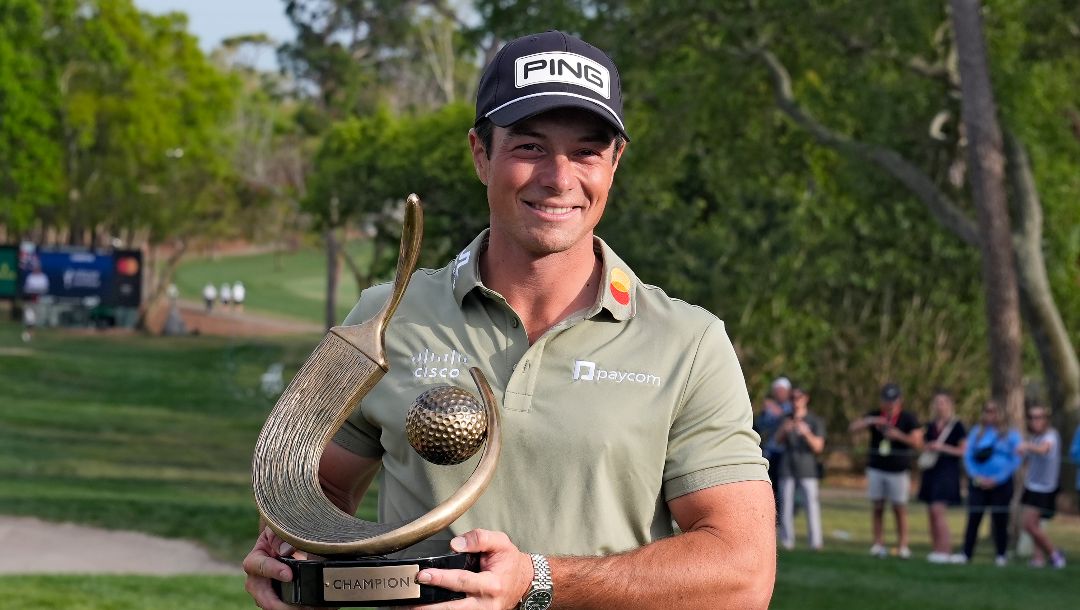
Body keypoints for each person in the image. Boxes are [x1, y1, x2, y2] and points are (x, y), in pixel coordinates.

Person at [242, 30, 775, 610]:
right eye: (529, 147)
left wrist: (537, 582)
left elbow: (742, 572)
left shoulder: (689, 342)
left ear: (615, 164)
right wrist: (292, 562)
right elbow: (313, 491)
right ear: (480, 153)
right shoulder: (385, 316)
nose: (559, 176)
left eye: (587, 152)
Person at [849, 382, 922, 559]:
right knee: (878, 507)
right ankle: (878, 544)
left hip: (899, 470)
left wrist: (898, 435)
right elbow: (852, 428)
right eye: (886, 400)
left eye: (893, 400)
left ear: (900, 400)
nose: (890, 404)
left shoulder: (908, 418)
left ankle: (903, 546)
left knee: (899, 508)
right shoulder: (875, 415)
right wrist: (871, 421)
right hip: (876, 468)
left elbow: (918, 442)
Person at [961, 400, 1022, 566]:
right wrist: (976, 477)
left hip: (1001, 484)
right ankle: (966, 554)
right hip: (978, 483)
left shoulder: (1011, 434)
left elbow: (1016, 459)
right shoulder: (976, 433)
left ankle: (1001, 555)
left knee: (1000, 519)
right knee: (974, 517)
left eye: (994, 411)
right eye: (987, 411)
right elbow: (967, 456)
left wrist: (997, 479)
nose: (990, 415)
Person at [917, 390, 967, 563]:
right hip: (931, 471)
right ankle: (936, 549)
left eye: (943, 402)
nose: (940, 406)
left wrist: (942, 448)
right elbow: (922, 444)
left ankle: (945, 550)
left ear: (950, 405)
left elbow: (963, 450)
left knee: (939, 511)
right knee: (931, 511)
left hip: (947, 472)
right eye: (937, 402)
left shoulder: (957, 425)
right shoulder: (930, 426)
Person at [775, 386, 825, 550]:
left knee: (811, 505)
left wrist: (806, 434)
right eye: (793, 398)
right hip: (787, 468)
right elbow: (777, 441)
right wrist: (785, 429)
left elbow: (819, 447)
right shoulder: (785, 418)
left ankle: (815, 542)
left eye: (799, 397)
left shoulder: (814, 420)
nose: (796, 401)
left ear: (806, 399)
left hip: (807, 469)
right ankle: (787, 542)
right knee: (786, 505)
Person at [1018, 405, 1065, 568]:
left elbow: (1044, 449)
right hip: (1032, 485)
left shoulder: (1052, 435)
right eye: (1031, 417)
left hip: (1045, 488)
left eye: (1038, 417)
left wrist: (1026, 446)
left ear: (1045, 419)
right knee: (1034, 525)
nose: (1034, 421)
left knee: (1029, 525)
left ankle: (1055, 554)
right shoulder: (1033, 438)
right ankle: (1038, 558)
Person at [754, 376, 794, 538]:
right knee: (769, 491)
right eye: (776, 390)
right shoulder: (769, 408)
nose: (779, 393)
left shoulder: (791, 408)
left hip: (786, 457)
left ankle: (785, 529)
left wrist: (777, 413)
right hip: (769, 454)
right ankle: (770, 525)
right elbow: (760, 427)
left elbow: (788, 421)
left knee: (785, 493)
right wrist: (765, 412)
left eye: (782, 390)